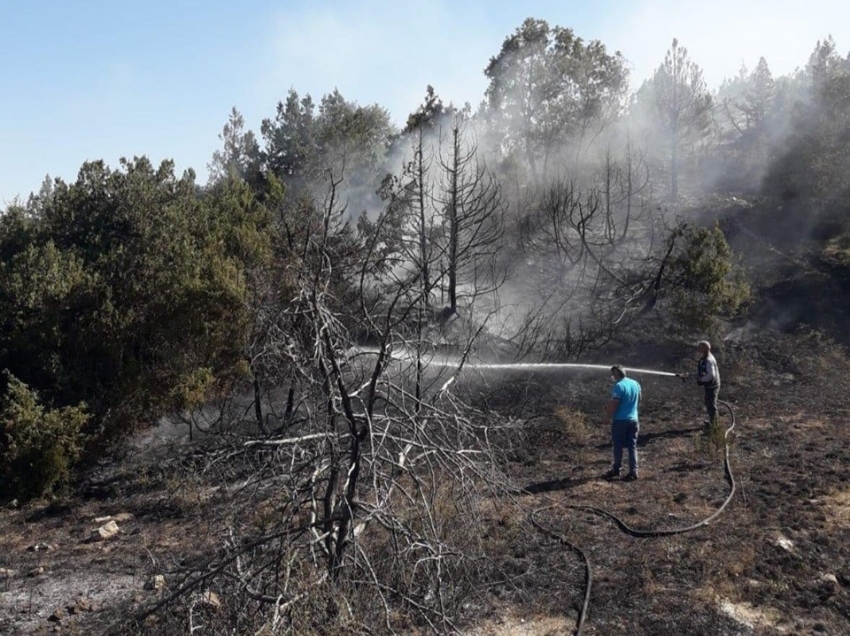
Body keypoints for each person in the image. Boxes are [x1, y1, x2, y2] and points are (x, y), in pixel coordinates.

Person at [604, 365, 642, 482]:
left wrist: (607, 416)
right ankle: (633, 472)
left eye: (613, 374)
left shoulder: (619, 386)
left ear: (616, 374)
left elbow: (615, 403)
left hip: (620, 421)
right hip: (634, 420)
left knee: (618, 446)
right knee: (632, 446)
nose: (612, 376)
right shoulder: (636, 383)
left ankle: (617, 469)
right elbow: (640, 399)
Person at [680, 340, 721, 429]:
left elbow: (711, 375)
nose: (698, 348)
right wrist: (688, 375)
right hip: (709, 385)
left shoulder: (709, 360)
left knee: (711, 404)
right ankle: (713, 422)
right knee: (708, 402)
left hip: (713, 386)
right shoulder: (704, 359)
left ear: (704, 348)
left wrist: (701, 379)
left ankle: (715, 425)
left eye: (700, 347)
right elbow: (701, 372)